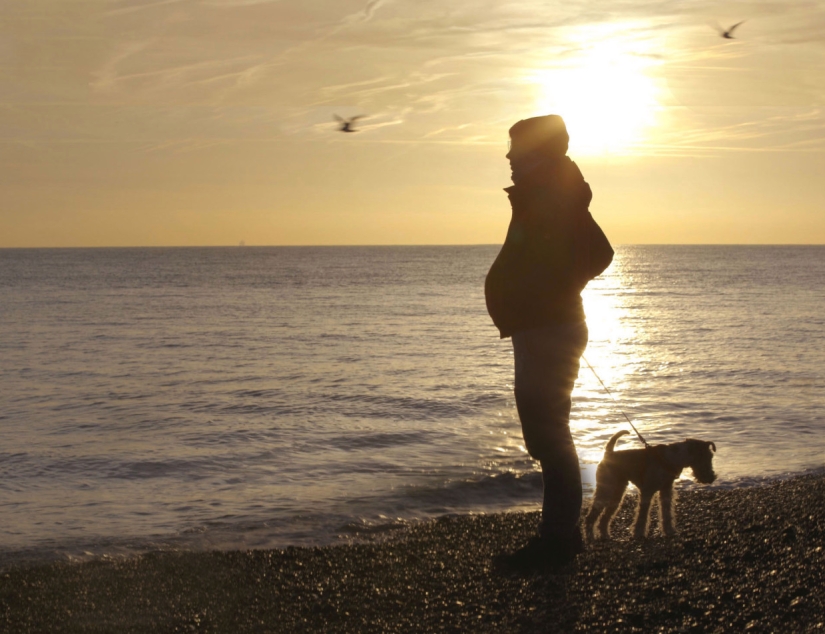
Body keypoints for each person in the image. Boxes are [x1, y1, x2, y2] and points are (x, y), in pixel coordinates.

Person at [485, 114, 614, 568]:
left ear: (537, 153)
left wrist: (553, 292)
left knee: (550, 437)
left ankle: (557, 541)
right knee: (548, 436)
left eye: (515, 149)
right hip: (541, 328)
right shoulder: (549, 193)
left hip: (548, 329)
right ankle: (561, 537)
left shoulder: (553, 195)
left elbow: (600, 253)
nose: (508, 157)